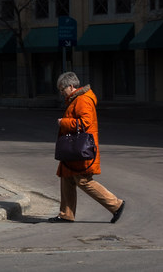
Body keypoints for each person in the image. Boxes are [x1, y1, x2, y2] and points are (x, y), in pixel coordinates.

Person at [48, 71, 126, 223]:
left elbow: (85, 123)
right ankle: (66, 214)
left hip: (80, 149)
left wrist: (63, 122)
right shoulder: (76, 99)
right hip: (75, 150)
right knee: (67, 177)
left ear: (71, 86)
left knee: (83, 180)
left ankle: (116, 204)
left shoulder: (82, 100)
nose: (62, 93)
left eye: (62, 89)